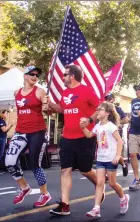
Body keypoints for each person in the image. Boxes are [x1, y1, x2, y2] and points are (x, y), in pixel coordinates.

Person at [46, 64, 104, 216]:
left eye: (65, 74)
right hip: (67, 137)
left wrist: (90, 119)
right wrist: (51, 105)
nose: (63, 77)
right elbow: (63, 109)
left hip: (84, 137)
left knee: (85, 170)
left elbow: (100, 109)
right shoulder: (65, 92)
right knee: (65, 169)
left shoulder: (86, 90)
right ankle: (65, 205)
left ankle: (100, 185)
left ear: (72, 76)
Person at [4, 65, 51, 207]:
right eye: (32, 74)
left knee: (34, 163)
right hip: (20, 131)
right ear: (25, 76)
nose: (35, 77)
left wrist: (47, 107)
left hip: (37, 131)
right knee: (9, 162)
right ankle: (24, 188)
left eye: (37, 75)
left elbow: (48, 112)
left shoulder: (40, 92)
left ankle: (45, 194)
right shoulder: (16, 93)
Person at [81, 102, 130, 218]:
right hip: (101, 159)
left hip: (111, 158)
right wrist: (83, 128)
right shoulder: (97, 126)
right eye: (97, 109)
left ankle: (124, 198)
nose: (97, 111)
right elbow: (89, 135)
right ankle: (96, 208)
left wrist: (118, 156)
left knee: (112, 183)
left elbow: (120, 141)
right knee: (99, 183)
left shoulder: (111, 127)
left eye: (100, 109)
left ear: (107, 113)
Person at [104, 93, 129, 176]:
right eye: (107, 98)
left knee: (113, 152)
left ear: (113, 99)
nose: (108, 100)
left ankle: (123, 164)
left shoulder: (118, 109)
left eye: (110, 98)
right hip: (105, 133)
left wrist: (117, 123)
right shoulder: (103, 109)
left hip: (116, 132)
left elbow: (125, 120)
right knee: (107, 151)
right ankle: (108, 172)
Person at [0, 110, 14, 174]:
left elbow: (5, 131)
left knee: (1, 153)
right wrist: (10, 124)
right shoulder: (0, 121)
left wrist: (10, 126)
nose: (7, 114)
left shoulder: (2, 121)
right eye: (6, 113)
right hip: (0, 138)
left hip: (2, 138)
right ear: (2, 113)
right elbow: (4, 129)